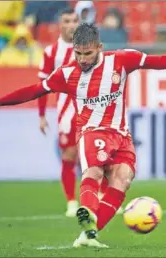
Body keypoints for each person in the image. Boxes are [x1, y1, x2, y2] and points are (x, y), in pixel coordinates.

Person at [0, 23, 166, 248]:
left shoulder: (121, 60)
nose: (83, 59)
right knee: (94, 172)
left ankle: (89, 234)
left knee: (123, 179)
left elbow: (163, 62)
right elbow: (34, 91)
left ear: (99, 47)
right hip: (91, 132)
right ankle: (87, 212)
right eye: (78, 53)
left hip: (121, 134)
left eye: (88, 53)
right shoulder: (67, 74)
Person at [38, 8, 121, 217]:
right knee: (69, 155)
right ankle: (71, 202)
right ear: (60, 24)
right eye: (67, 21)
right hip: (66, 110)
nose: (71, 25)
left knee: (99, 152)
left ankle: (102, 195)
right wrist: (41, 115)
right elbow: (42, 85)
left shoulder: (89, 48)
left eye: (75, 20)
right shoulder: (51, 53)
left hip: (91, 106)